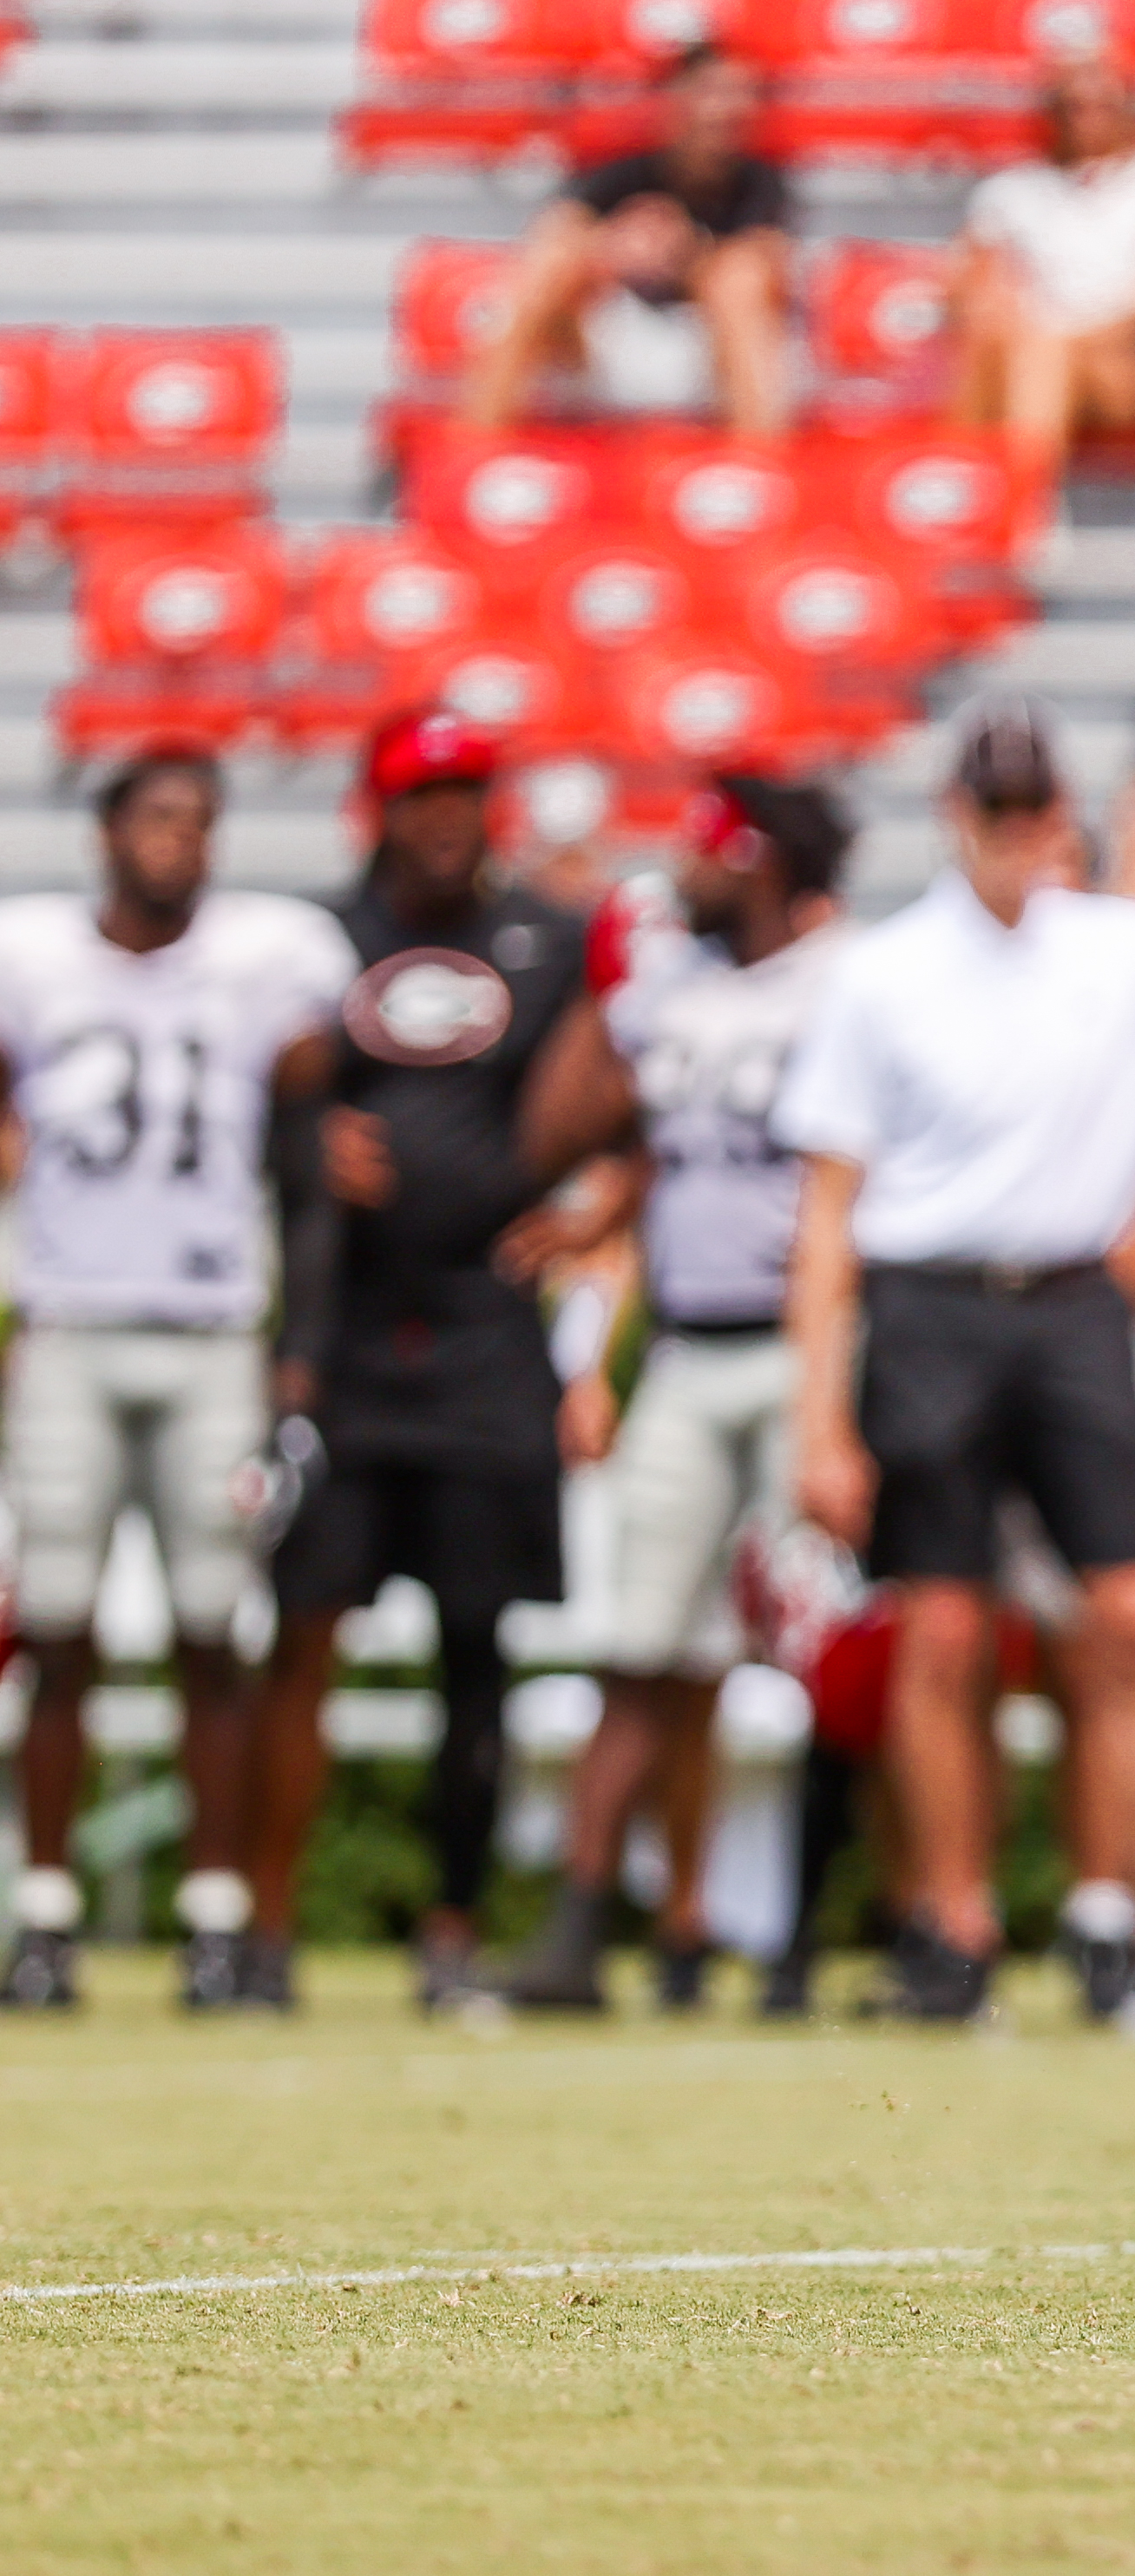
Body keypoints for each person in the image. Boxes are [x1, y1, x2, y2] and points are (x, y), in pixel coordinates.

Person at [774, 700, 1135, 2022]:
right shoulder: (883, 973)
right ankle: (956, 1924)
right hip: (931, 1303)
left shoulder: (1128, 946)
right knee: (942, 1629)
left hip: (1069, 1304)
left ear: (1061, 816)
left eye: (1033, 810)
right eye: (995, 811)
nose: (1014, 835)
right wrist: (817, 1417)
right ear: (959, 817)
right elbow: (828, 1211)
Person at [242, 709, 594, 2011]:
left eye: (466, 791)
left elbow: (636, 1083)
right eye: (420, 792)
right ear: (374, 805)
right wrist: (305, 1130)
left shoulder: (546, 941)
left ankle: (449, 1932)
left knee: (475, 1649)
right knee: (304, 1636)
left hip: (485, 1339)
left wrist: (601, 1204)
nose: (446, 815)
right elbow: (223, 1086)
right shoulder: (309, 941)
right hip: (340, 1343)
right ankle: (265, 1930)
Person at [0, 755, 355, 2014]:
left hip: (211, 1330)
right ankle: (43, 1920)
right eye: (156, 816)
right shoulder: (31, 954)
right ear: (103, 832)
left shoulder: (272, 960)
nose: (180, 842)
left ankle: (215, 1921)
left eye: (200, 821)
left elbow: (307, 1170)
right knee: (55, 1628)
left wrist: (295, 1351)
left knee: (215, 1629)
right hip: (71, 1324)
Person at [499, 775, 853, 2013]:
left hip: (810, 1348)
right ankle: (592, 1920)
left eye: (703, 850)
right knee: (643, 1644)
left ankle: (819, 1931)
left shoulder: (847, 982)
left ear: (755, 857)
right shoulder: (677, 992)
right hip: (692, 1349)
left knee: (828, 1654)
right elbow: (560, 1139)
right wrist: (609, 992)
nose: (678, 872)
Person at [463, 43, 794, 438]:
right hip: (607, 340)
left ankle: (757, 466)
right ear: (676, 98)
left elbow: (766, 260)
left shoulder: (761, 182)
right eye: (714, 91)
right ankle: (477, 444)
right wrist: (619, 245)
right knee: (549, 265)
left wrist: (684, 252)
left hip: (713, 351)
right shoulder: (626, 170)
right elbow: (555, 229)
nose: (730, 107)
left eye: (742, 94)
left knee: (740, 279)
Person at [948, 53, 1135, 495]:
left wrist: (1055, 336)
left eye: (1104, 103)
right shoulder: (1013, 191)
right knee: (1011, 347)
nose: (1088, 117)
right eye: (1073, 105)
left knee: (1034, 351)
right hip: (1035, 355)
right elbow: (976, 295)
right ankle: (1002, 505)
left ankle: (1001, 507)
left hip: (1133, 358)